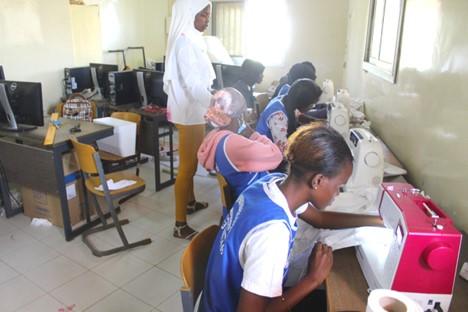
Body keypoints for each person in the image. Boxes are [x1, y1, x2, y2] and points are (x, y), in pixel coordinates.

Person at [200, 124, 383, 312]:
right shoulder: (272, 235)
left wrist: (377, 221)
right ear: (318, 181)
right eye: (339, 187)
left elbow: (320, 219)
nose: (338, 193)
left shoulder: (273, 183)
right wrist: (313, 279)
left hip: (221, 299)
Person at [163, 0, 215, 240]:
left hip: (193, 109)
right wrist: (216, 103)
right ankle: (179, 224)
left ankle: (191, 203)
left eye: (208, 14)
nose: (207, 19)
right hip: (189, 112)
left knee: (192, 162)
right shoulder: (184, 42)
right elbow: (192, 85)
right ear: (190, 13)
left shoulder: (192, 38)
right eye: (203, 14)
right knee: (186, 167)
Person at [197, 88, 282, 205]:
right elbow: (276, 155)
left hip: (241, 199)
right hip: (252, 202)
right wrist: (251, 133)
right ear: (239, 115)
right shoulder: (233, 143)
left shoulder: (214, 136)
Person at [256, 78, 322, 153]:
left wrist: (318, 123)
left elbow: (299, 116)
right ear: (302, 102)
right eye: (312, 104)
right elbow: (283, 150)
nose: (312, 107)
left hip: (274, 149)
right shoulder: (278, 116)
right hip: (267, 154)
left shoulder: (287, 99)